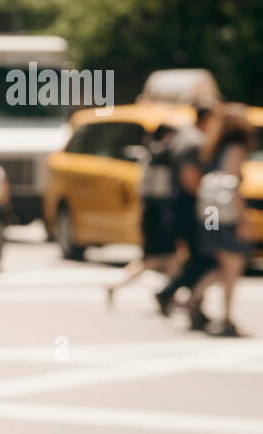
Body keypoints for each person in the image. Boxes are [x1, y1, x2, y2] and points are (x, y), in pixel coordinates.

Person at [184, 106, 253, 336]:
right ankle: (225, 318)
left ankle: (194, 299)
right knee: (232, 266)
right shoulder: (235, 148)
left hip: (210, 213)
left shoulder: (212, 146)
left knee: (223, 265)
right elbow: (231, 186)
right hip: (226, 215)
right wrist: (243, 220)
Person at [154, 102, 218, 317]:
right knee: (205, 259)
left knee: (196, 258)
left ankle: (193, 305)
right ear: (207, 118)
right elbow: (190, 178)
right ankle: (173, 295)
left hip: (178, 206)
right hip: (190, 208)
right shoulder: (195, 141)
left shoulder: (185, 136)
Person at [106, 124, 178, 305]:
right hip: (158, 214)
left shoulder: (149, 153)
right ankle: (118, 285)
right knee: (153, 260)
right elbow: (163, 191)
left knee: (167, 258)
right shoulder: (162, 155)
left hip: (150, 212)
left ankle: (169, 293)